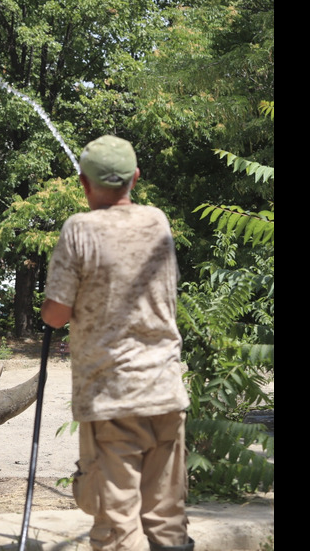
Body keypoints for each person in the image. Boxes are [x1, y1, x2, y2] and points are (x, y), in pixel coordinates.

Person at [41, 135, 194, 551]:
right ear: (135, 179)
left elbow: (55, 315)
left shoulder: (79, 230)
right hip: (165, 392)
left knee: (116, 528)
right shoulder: (158, 221)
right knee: (167, 520)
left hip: (113, 400)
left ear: (84, 184)